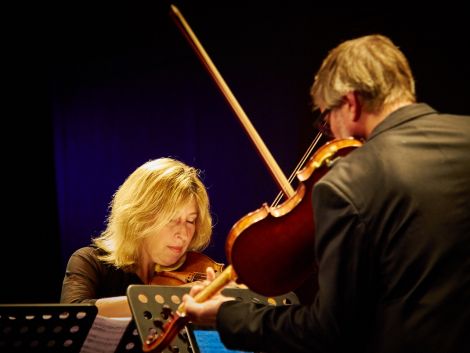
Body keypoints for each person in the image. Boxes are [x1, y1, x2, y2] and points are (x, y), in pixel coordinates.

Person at [181, 34, 470, 353]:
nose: (329, 132)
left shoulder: (349, 180)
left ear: (351, 103)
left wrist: (227, 315)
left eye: (327, 116)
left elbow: (329, 331)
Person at [60, 157, 217, 317]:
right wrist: (171, 297)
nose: (183, 234)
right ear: (140, 216)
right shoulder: (90, 261)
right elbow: (72, 313)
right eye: (171, 219)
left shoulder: (192, 269)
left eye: (191, 220)